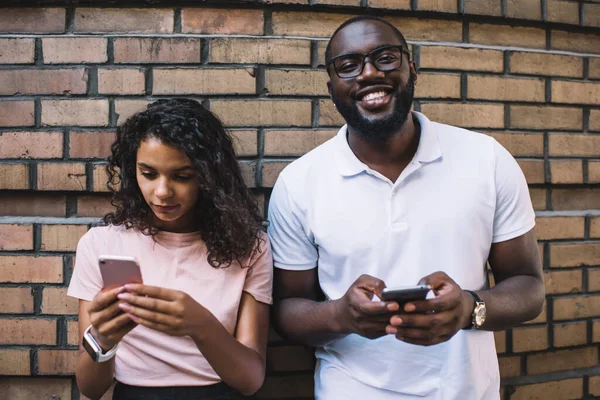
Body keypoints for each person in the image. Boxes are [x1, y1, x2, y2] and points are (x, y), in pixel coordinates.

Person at [267, 15, 544, 400]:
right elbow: (286, 310)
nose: (368, 74)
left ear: (412, 69)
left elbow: (529, 287)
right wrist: (340, 315)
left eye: (385, 58)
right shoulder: (299, 182)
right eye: (348, 66)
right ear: (332, 88)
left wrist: (469, 308)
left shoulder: (487, 160)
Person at [68, 99, 273, 400]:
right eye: (148, 174)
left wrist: (199, 325)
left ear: (208, 177)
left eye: (182, 176)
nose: (162, 192)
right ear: (131, 170)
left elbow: (250, 380)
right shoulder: (100, 244)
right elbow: (90, 388)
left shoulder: (249, 246)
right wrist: (104, 338)